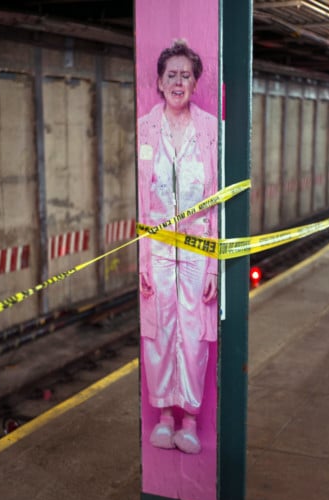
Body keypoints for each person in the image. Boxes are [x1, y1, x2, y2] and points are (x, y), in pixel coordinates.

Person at [137, 39, 218, 455]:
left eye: (186, 75)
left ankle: (188, 419)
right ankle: (165, 414)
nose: (179, 82)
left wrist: (214, 267)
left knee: (192, 334)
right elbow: (140, 198)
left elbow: (217, 200)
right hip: (157, 247)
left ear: (195, 81)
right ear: (159, 81)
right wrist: (143, 261)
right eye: (172, 75)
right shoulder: (146, 128)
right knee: (160, 332)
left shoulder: (209, 130)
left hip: (197, 248)